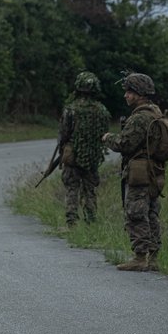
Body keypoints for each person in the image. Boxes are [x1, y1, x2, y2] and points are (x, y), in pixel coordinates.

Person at [103, 73, 168, 272]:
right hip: (154, 171)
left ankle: (140, 257)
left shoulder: (140, 117)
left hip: (139, 172)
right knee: (151, 213)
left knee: (136, 213)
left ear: (140, 93)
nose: (126, 95)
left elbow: (125, 144)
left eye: (129, 92)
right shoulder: (155, 112)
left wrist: (108, 138)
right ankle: (153, 257)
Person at [58, 72, 111, 228]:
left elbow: (64, 134)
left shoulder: (71, 110)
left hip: (72, 155)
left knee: (72, 187)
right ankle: (91, 221)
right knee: (90, 189)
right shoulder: (102, 110)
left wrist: (63, 149)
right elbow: (104, 134)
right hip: (92, 156)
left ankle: (71, 221)